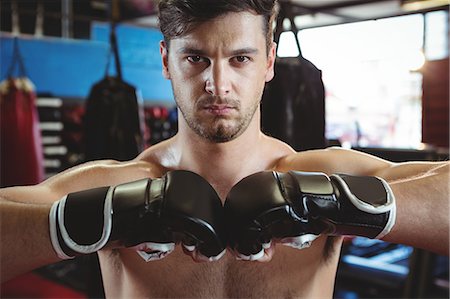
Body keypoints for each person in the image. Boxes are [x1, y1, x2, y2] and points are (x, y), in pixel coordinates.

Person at [1, 0, 448, 297]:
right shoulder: (116, 187)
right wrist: (92, 220)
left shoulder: (324, 176)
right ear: (165, 61)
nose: (218, 84)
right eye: (196, 58)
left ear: (269, 62)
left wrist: (338, 204)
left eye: (240, 58)